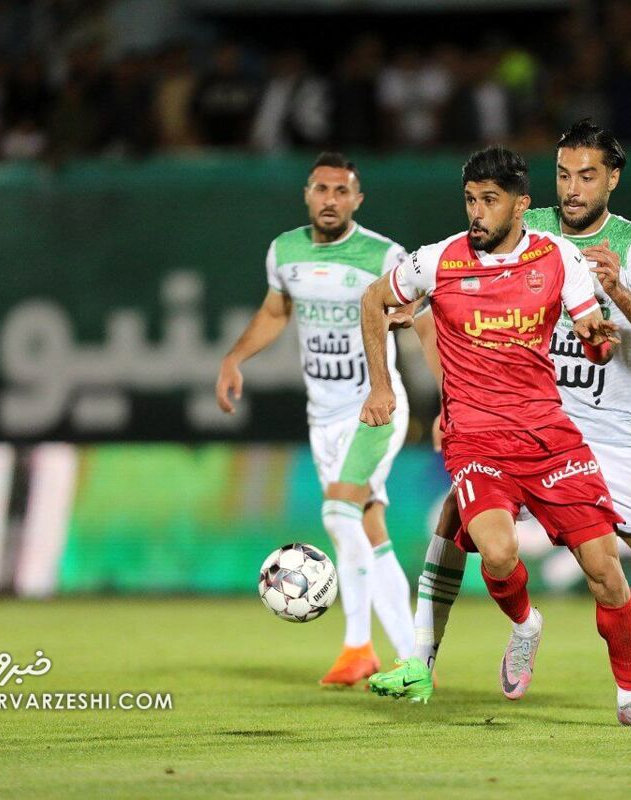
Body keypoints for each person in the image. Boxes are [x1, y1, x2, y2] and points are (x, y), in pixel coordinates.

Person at [371, 120, 631, 719]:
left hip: (605, 434)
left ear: (612, 179)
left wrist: (620, 291)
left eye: (587, 176)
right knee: (458, 519)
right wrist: (443, 375)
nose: (573, 189)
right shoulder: (523, 228)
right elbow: (446, 289)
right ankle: (421, 661)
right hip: (519, 422)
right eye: (563, 175)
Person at [216, 152, 415, 686]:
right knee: (367, 525)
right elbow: (275, 311)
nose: (331, 199)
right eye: (322, 189)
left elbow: (424, 320)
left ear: (357, 199)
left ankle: (358, 648)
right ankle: (412, 655)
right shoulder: (285, 251)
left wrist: (449, 400)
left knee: (338, 513)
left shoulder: (383, 256)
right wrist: (235, 358)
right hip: (322, 415)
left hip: (374, 406)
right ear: (307, 194)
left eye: (341, 190)